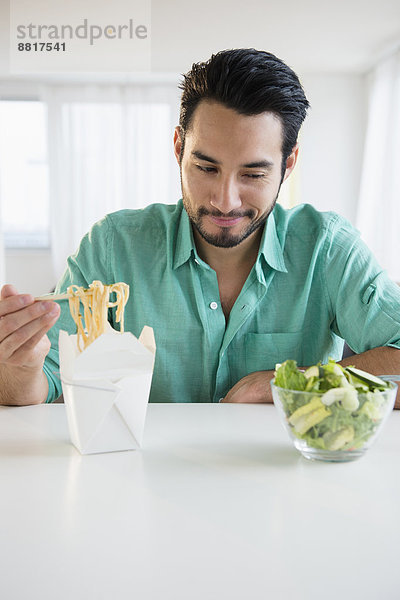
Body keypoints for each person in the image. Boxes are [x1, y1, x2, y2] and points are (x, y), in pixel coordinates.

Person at [1, 48, 400, 407]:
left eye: (253, 174)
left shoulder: (326, 248)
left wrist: (295, 383)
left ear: (288, 164)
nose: (225, 201)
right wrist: (19, 367)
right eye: (206, 168)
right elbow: (44, 384)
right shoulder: (113, 246)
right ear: (179, 148)